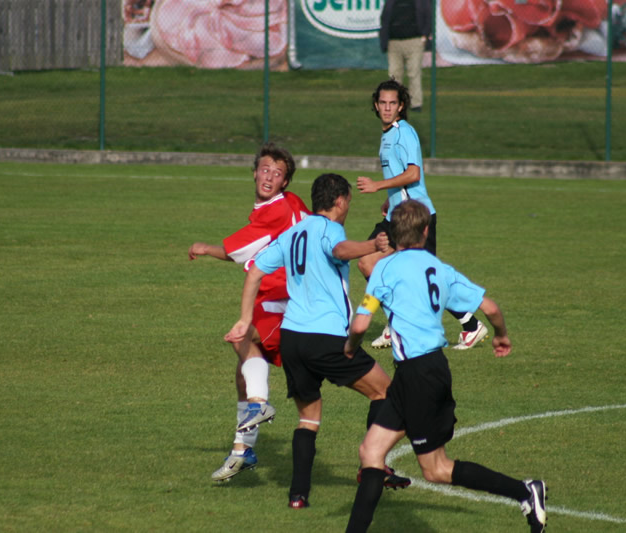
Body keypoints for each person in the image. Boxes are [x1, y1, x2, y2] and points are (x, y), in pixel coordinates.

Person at [344, 200, 547, 533]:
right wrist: (501, 336)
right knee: (370, 451)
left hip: (420, 375)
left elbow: (361, 324)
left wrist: (350, 348)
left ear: (394, 233)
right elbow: (492, 308)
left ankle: (524, 491)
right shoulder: (440, 269)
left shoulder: (385, 267)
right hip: (420, 372)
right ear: (426, 231)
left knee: (436, 469)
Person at [225, 173, 411, 509]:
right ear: (340, 201)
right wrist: (372, 245)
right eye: (349, 202)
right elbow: (339, 249)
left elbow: (254, 271)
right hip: (326, 339)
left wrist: (244, 319)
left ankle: (298, 496)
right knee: (386, 391)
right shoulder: (330, 230)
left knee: (309, 417)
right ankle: (373, 465)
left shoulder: (292, 232)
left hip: (292, 339)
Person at [188, 143, 310, 483]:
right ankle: (243, 449)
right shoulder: (293, 202)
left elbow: (236, 250)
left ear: (285, 182)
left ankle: (258, 406)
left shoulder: (275, 211)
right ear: (255, 171)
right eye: (266, 169)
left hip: (282, 300)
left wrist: (205, 248)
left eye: (278, 173)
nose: (270, 176)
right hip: (279, 298)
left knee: (244, 340)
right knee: (242, 367)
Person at [357, 79, 487, 351]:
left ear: (401, 106)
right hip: (397, 213)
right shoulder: (388, 135)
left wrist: (378, 185)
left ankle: (471, 324)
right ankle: (395, 323)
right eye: (383, 103)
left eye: (393, 103)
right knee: (369, 262)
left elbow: (414, 173)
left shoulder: (405, 132)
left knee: (423, 275)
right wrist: (388, 198)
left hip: (415, 217)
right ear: (375, 105)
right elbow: (401, 175)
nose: (387, 108)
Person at [379, 0, 432, 112]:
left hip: (414, 41)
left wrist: (425, 35)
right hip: (394, 42)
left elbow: (428, 15)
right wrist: (385, 39)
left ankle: (416, 104)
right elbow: (384, 18)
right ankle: (394, 103)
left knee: (414, 73)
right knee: (394, 74)